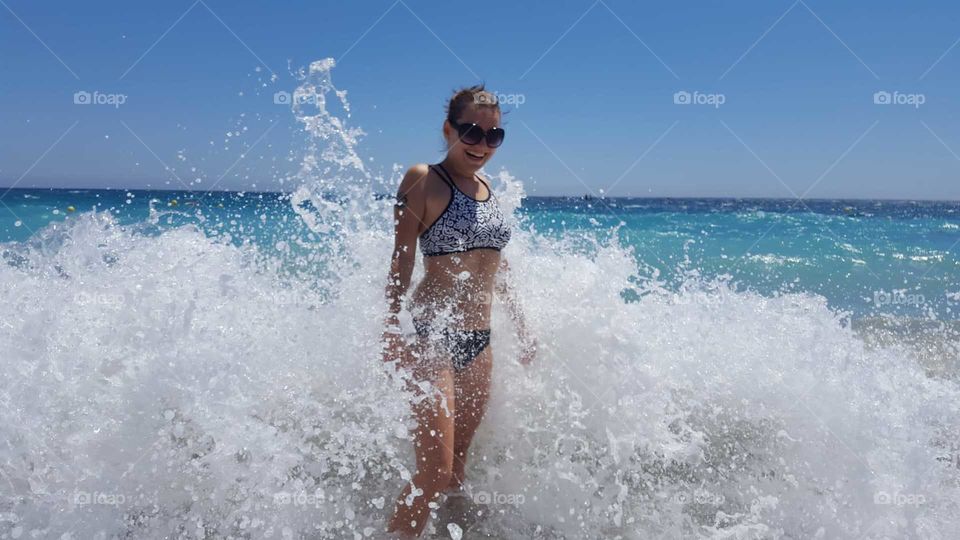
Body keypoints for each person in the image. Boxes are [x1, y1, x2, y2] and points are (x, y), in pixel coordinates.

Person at [381, 85, 536, 538]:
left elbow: (496, 267)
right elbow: (402, 258)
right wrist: (390, 327)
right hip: (432, 336)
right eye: (471, 131)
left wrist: (522, 325)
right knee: (433, 470)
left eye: (494, 136)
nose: (482, 144)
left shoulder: (489, 187)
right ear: (449, 129)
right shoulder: (421, 178)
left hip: (479, 341)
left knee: (456, 469)